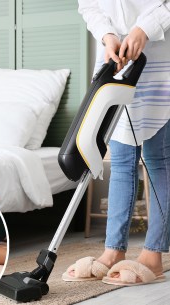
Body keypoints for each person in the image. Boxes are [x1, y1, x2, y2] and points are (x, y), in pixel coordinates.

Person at [63, 0, 170, 285]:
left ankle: (154, 254)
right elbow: (89, 5)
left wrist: (144, 28)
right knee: (122, 161)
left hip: (160, 58)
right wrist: (107, 35)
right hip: (116, 60)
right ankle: (113, 251)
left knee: (159, 160)